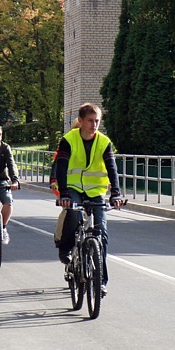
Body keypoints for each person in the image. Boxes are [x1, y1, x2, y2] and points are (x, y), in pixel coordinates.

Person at [55, 103, 124, 296]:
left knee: (101, 232)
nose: (95, 125)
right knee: (74, 216)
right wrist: (64, 194)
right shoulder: (68, 140)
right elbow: (61, 167)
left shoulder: (104, 142)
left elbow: (112, 168)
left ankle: (101, 282)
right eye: (91, 121)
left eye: (97, 121)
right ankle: (66, 249)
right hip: (73, 187)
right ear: (81, 121)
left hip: (96, 190)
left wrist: (116, 193)